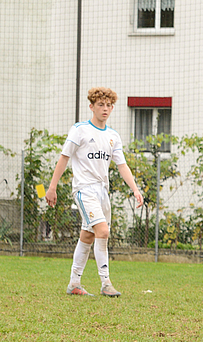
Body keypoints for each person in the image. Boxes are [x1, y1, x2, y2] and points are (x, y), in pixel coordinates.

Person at [45, 87, 143, 297]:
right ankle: (106, 283)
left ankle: (74, 284)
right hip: (84, 190)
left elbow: (122, 165)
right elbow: (64, 157)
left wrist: (135, 189)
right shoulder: (80, 130)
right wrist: (52, 187)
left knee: (88, 235)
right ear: (92, 106)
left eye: (109, 105)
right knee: (103, 232)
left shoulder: (113, 136)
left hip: (102, 192)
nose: (105, 109)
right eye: (101, 105)